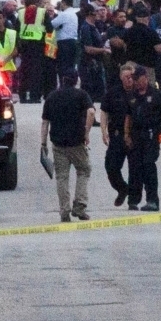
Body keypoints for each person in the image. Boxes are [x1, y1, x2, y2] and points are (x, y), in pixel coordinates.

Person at [41, 72, 95, 222]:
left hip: (58, 144)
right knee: (84, 170)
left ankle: (64, 211)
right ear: (76, 80)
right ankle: (80, 206)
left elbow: (45, 122)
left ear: (62, 81)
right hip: (77, 143)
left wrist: (43, 143)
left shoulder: (51, 97)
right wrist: (86, 132)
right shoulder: (81, 95)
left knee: (62, 177)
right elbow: (91, 112)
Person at [124, 66, 161, 211]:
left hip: (152, 135)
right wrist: (126, 135)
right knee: (134, 168)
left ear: (145, 77)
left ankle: (152, 200)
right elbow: (128, 118)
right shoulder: (132, 96)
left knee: (149, 166)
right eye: (134, 79)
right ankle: (133, 200)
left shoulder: (156, 94)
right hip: (135, 136)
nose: (136, 82)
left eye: (138, 79)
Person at [100, 63, 136, 206]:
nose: (129, 80)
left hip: (135, 135)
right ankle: (122, 188)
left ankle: (133, 200)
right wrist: (103, 131)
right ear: (121, 77)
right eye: (126, 77)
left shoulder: (139, 92)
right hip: (117, 135)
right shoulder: (113, 93)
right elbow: (104, 112)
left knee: (134, 169)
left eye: (131, 77)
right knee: (111, 166)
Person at [18, 0, 52, 103]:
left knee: (25, 71)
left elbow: (16, 28)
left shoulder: (21, 12)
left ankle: (22, 96)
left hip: (24, 45)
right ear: (37, 2)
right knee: (36, 72)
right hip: (38, 44)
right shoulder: (42, 12)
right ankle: (35, 96)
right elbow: (50, 28)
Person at [123, 3, 161, 87]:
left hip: (131, 64)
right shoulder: (152, 32)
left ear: (136, 18)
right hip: (147, 67)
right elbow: (159, 49)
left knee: (130, 87)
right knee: (147, 89)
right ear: (147, 18)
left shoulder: (129, 31)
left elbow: (124, 45)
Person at [78, 4, 108, 102]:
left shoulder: (94, 26)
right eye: (97, 11)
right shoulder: (86, 28)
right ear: (91, 14)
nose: (99, 13)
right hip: (89, 64)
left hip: (96, 64)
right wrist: (104, 50)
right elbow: (88, 49)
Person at [51, 0, 80, 79]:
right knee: (70, 66)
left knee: (63, 66)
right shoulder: (74, 14)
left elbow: (52, 24)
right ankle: (70, 83)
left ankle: (63, 85)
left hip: (64, 43)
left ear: (64, 3)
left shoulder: (64, 14)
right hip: (73, 42)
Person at [104, 9, 129, 89]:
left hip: (125, 64)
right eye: (121, 17)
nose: (123, 19)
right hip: (113, 64)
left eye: (125, 17)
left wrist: (123, 42)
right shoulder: (111, 30)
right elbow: (117, 44)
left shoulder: (128, 31)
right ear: (114, 18)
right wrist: (124, 43)